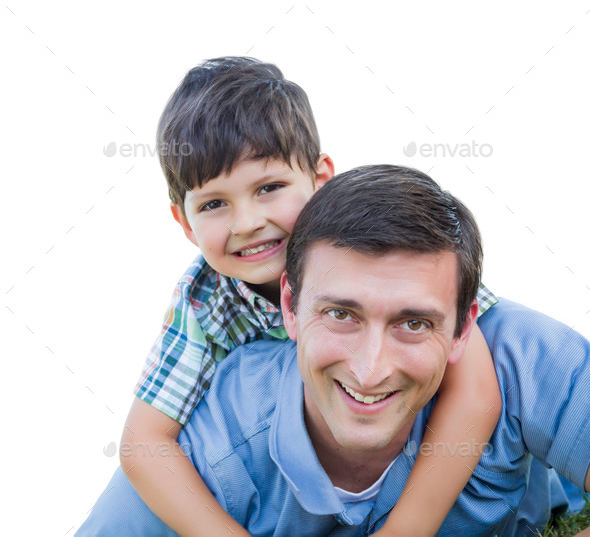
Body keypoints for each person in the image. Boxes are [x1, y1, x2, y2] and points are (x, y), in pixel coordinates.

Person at [83, 57, 502, 536]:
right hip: (287, 485)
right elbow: (144, 442)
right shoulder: (204, 302)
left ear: (320, 179)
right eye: (215, 204)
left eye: (270, 188)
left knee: (516, 339)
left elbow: (476, 390)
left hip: (400, 456)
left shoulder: (386, 243)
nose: (246, 223)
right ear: (184, 221)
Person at [78, 165, 590, 536]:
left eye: (413, 322)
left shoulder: (518, 355)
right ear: (290, 307)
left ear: (462, 327)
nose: (370, 370)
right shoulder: (224, 434)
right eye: (342, 314)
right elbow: (144, 448)